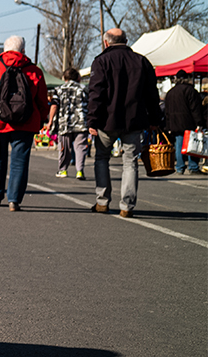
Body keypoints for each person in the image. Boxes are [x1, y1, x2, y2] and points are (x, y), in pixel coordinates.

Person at [87, 28, 163, 217]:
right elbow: (152, 95)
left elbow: (96, 94)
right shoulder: (142, 61)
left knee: (102, 158)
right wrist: (154, 119)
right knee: (130, 163)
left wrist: (92, 120)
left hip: (106, 121)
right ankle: (127, 206)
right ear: (126, 40)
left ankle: (102, 201)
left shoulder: (101, 61)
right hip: (134, 120)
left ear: (106, 42)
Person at [0, 35, 49, 211]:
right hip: (25, 121)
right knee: (20, 161)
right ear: (23, 51)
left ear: (4, 50)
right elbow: (42, 99)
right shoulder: (33, 70)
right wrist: (41, 119)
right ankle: (14, 199)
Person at [45, 68, 89, 179]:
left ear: (64, 78)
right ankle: (80, 171)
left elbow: (54, 106)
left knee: (64, 147)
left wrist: (50, 121)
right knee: (80, 148)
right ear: (78, 78)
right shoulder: (84, 89)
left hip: (64, 123)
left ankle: (63, 170)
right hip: (81, 122)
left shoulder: (59, 89)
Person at [164, 70, 205, 175]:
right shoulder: (190, 91)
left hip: (175, 123)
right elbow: (195, 109)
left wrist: (168, 126)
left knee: (179, 144)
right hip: (188, 122)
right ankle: (193, 166)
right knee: (192, 144)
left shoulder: (170, 92)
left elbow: (166, 111)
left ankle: (180, 167)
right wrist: (199, 122)